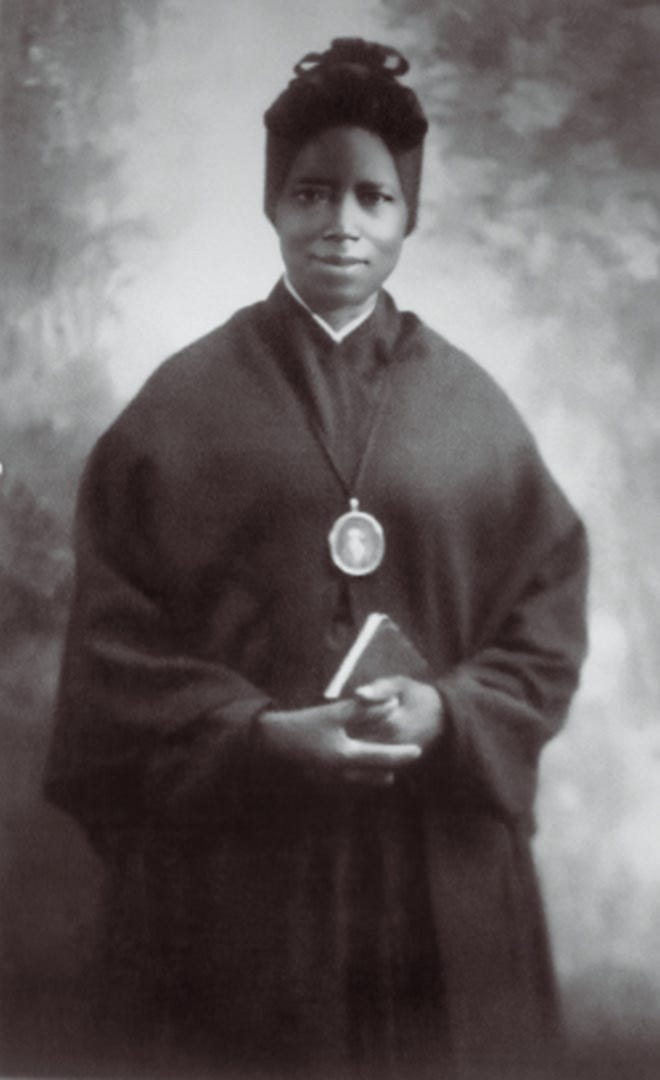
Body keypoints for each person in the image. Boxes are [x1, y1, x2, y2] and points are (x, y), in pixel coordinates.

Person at [44, 37, 589, 1080]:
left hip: (437, 874)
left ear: (408, 215)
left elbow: (547, 608)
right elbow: (113, 651)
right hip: (241, 872)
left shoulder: (471, 410)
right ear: (274, 205)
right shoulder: (179, 408)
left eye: (374, 199)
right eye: (312, 191)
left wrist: (453, 710)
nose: (341, 224)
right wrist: (254, 737)